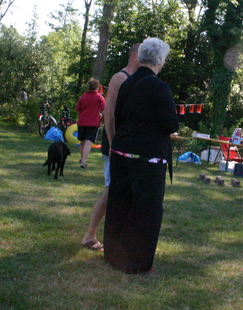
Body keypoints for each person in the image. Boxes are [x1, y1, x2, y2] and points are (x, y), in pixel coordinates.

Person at [104, 38, 179, 274]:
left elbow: (118, 114)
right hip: (147, 158)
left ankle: (113, 254)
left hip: (121, 151)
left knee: (120, 205)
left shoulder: (128, 83)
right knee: (146, 210)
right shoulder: (160, 87)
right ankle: (138, 263)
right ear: (160, 59)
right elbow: (170, 123)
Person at [81, 43, 140, 252]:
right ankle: (89, 236)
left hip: (127, 146)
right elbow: (109, 113)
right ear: (135, 56)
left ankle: (117, 238)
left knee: (121, 191)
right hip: (114, 145)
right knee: (111, 190)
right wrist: (114, 144)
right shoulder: (120, 77)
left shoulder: (137, 80)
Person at [75, 78, 105, 169]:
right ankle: (84, 161)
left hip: (82, 121)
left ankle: (82, 158)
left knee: (82, 140)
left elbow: (78, 108)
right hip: (93, 122)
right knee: (88, 141)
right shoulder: (99, 97)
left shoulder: (83, 96)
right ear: (97, 87)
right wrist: (102, 119)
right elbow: (104, 109)